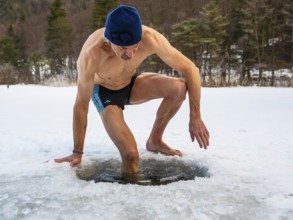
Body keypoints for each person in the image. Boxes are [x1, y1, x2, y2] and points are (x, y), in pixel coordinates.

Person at [55, 5, 209, 178]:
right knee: (131, 155)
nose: (130, 54)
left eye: (135, 47)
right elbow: (81, 105)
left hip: (131, 84)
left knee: (179, 88)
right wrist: (77, 152)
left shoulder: (149, 38)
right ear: (110, 40)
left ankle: (155, 141)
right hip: (105, 92)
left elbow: (191, 69)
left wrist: (195, 115)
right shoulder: (92, 54)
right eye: (123, 48)